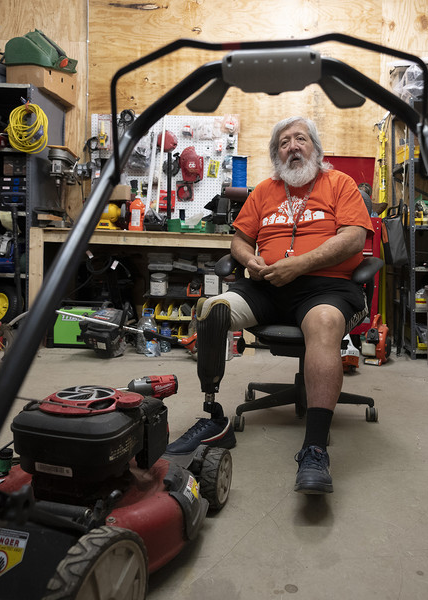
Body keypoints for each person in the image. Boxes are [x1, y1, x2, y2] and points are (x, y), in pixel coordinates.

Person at [165, 116, 373, 494]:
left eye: (301, 139)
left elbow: (354, 238)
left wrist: (301, 264)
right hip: (267, 284)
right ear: (276, 154)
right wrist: (250, 261)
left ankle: (314, 448)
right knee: (213, 310)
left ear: (316, 148)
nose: (292, 146)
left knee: (325, 323)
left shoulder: (339, 184)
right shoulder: (264, 190)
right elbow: (240, 242)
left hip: (325, 287)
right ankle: (213, 416)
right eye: (283, 142)